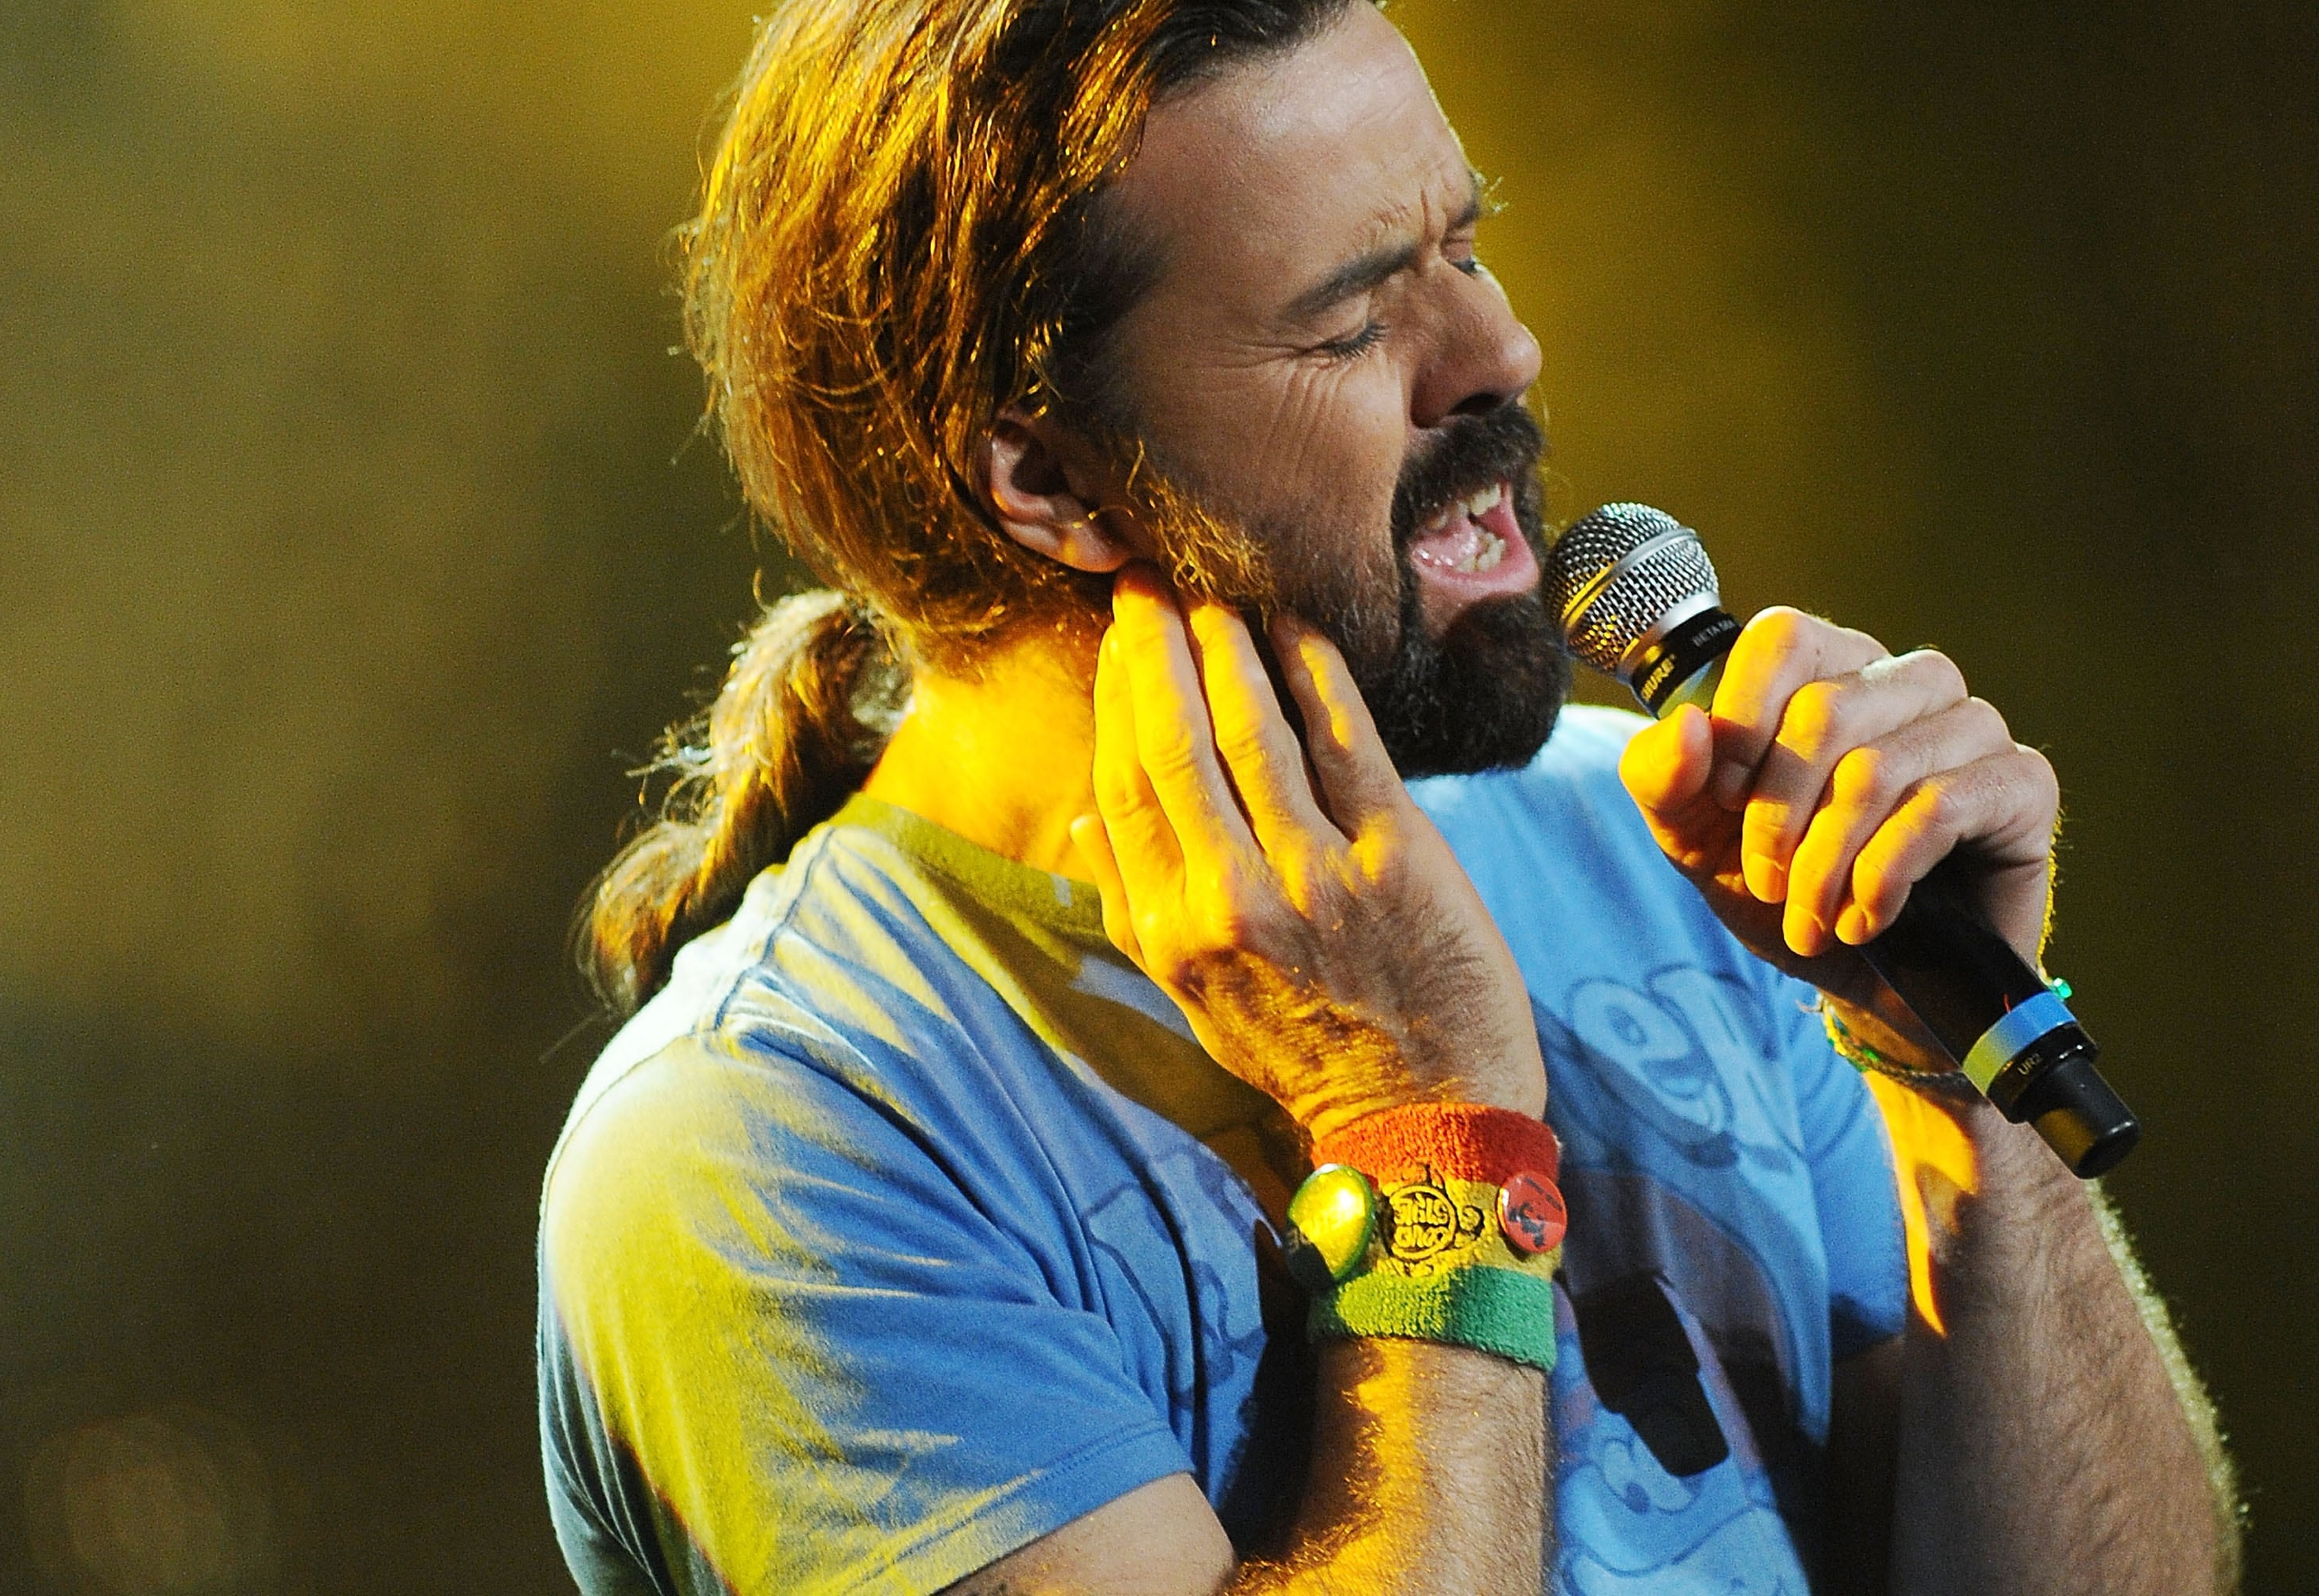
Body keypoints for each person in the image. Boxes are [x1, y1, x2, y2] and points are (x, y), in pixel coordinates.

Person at [536, 1, 2239, 1590]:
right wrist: (1426, 1139)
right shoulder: (770, 1145)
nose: (1501, 346)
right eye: (1356, 316)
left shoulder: (1677, 843)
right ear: (1045, 476)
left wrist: (1958, 1106)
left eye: (1469, 245)